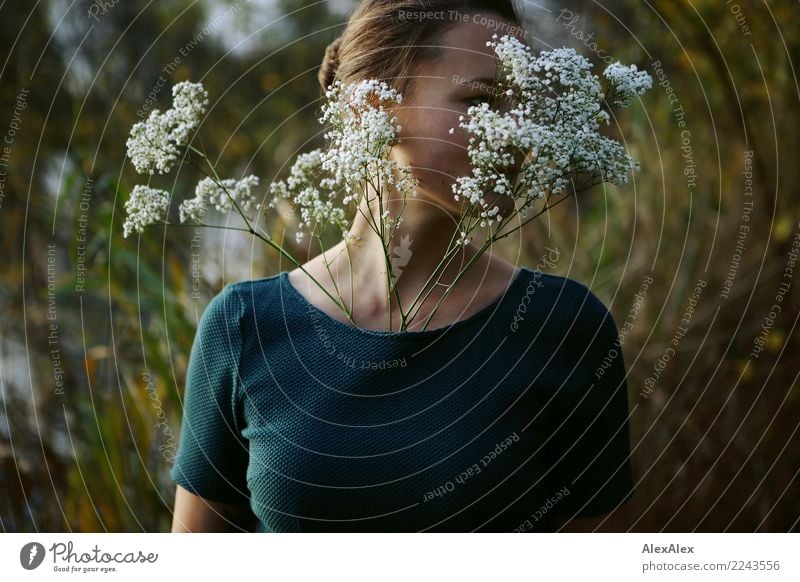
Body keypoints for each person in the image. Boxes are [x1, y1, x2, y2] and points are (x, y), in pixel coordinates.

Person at [170, 0, 635, 532]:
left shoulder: (563, 325)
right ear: (374, 107)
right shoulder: (243, 329)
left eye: (521, 106)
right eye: (482, 99)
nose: (517, 134)